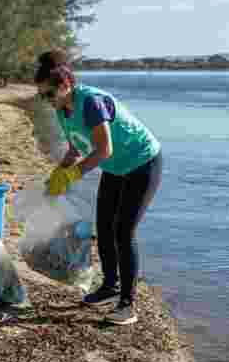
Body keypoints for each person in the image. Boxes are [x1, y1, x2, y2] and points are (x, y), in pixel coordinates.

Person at [35, 50, 162, 326]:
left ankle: (128, 305)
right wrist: (60, 170)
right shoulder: (62, 109)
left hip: (142, 162)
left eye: (48, 95)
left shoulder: (91, 102)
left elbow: (104, 149)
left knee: (123, 230)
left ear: (65, 85)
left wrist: (73, 176)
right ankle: (110, 286)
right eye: (41, 96)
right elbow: (76, 145)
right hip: (116, 168)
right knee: (103, 227)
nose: (46, 102)